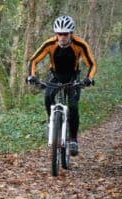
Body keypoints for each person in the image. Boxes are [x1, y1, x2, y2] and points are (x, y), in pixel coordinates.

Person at [26, 15, 97, 156]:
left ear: (71, 33)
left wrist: (89, 78)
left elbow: (92, 64)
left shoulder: (80, 44)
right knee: (47, 96)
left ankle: (73, 140)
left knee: (74, 106)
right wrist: (32, 76)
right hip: (55, 76)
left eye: (65, 34)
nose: (62, 37)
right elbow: (33, 60)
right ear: (56, 34)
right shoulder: (49, 44)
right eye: (59, 34)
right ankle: (50, 121)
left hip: (73, 77)